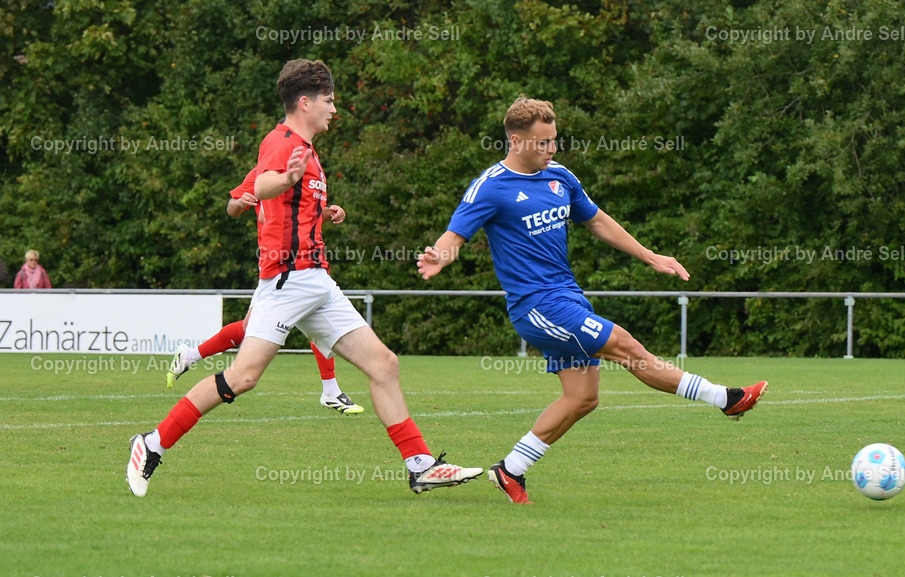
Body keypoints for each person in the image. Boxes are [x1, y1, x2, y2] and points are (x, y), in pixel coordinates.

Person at [126, 59, 481, 497]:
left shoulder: (307, 151)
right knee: (243, 377)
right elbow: (266, 184)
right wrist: (283, 180)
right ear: (305, 102)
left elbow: (268, 200)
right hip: (287, 281)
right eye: (329, 100)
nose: (335, 109)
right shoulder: (282, 142)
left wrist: (323, 213)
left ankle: (420, 464)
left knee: (384, 364)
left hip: (317, 282)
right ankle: (152, 443)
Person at [417, 95, 767, 504]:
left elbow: (598, 221)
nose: (551, 149)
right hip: (538, 307)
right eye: (543, 142)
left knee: (583, 397)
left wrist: (650, 255)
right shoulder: (491, 187)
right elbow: (454, 235)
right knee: (628, 346)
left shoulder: (561, 177)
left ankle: (511, 470)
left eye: (554, 140)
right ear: (516, 140)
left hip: (569, 298)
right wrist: (439, 257)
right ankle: (726, 399)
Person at [166, 168, 364, 415]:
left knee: (306, 323)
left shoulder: (310, 170)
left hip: (307, 266)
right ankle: (189, 359)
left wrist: (331, 212)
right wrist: (239, 202)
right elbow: (232, 209)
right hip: (279, 269)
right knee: (253, 331)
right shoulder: (263, 171)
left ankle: (331, 391)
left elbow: (307, 219)